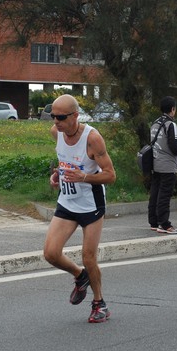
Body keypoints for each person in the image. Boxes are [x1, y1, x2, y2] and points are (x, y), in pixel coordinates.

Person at [43, 94, 116, 323]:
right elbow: (65, 163)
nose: (56, 122)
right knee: (51, 253)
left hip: (91, 204)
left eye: (61, 117)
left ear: (75, 115)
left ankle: (99, 303)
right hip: (67, 201)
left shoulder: (92, 138)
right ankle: (79, 275)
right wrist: (57, 175)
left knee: (89, 257)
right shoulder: (56, 133)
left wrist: (84, 177)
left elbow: (111, 175)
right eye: (53, 116)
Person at [148, 96, 177, 234]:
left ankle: (154, 221)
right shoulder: (171, 125)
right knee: (164, 195)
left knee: (155, 192)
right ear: (173, 109)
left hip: (155, 163)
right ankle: (165, 224)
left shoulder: (155, 123)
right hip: (168, 165)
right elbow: (175, 146)